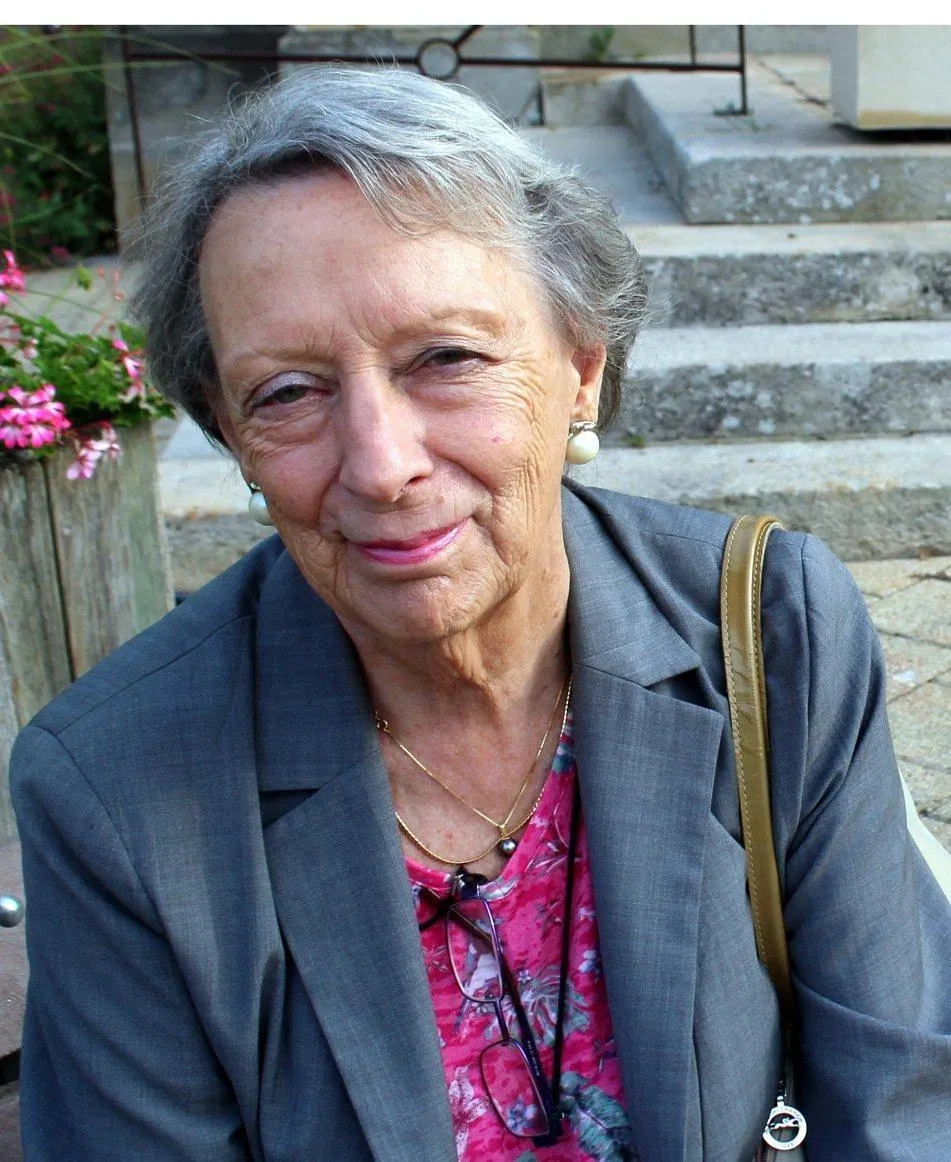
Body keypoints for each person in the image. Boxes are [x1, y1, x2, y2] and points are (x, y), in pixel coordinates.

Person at [10, 67, 951, 1162]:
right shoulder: (115, 785)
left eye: (445, 358)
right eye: (288, 392)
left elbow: (897, 1107)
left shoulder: (771, 632)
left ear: (581, 369)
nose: (382, 465)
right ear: (232, 438)